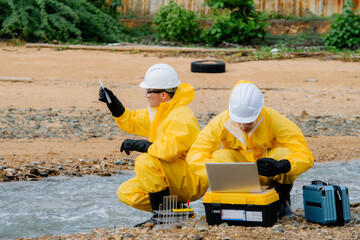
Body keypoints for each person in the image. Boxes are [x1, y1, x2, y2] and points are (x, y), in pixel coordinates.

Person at [186, 80, 314, 218]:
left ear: (259, 111)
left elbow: (304, 154)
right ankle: (233, 200)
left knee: (285, 154)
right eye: (239, 122)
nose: (244, 128)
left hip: (268, 171)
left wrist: (284, 166)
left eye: (249, 123)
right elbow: (196, 153)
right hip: (237, 176)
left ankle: (282, 200)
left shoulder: (273, 119)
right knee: (220, 156)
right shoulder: (221, 121)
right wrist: (215, 174)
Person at [98, 63, 202, 227]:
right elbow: (131, 121)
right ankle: (177, 211)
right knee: (127, 192)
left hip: (189, 180)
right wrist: (113, 104)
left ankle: (163, 214)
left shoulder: (182, 116)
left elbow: (169, 150)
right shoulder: (158, 111)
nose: (145, 95)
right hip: (172, 176)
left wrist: (141, 145)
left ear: (163, 94)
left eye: (148, 91)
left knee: (145, 161)